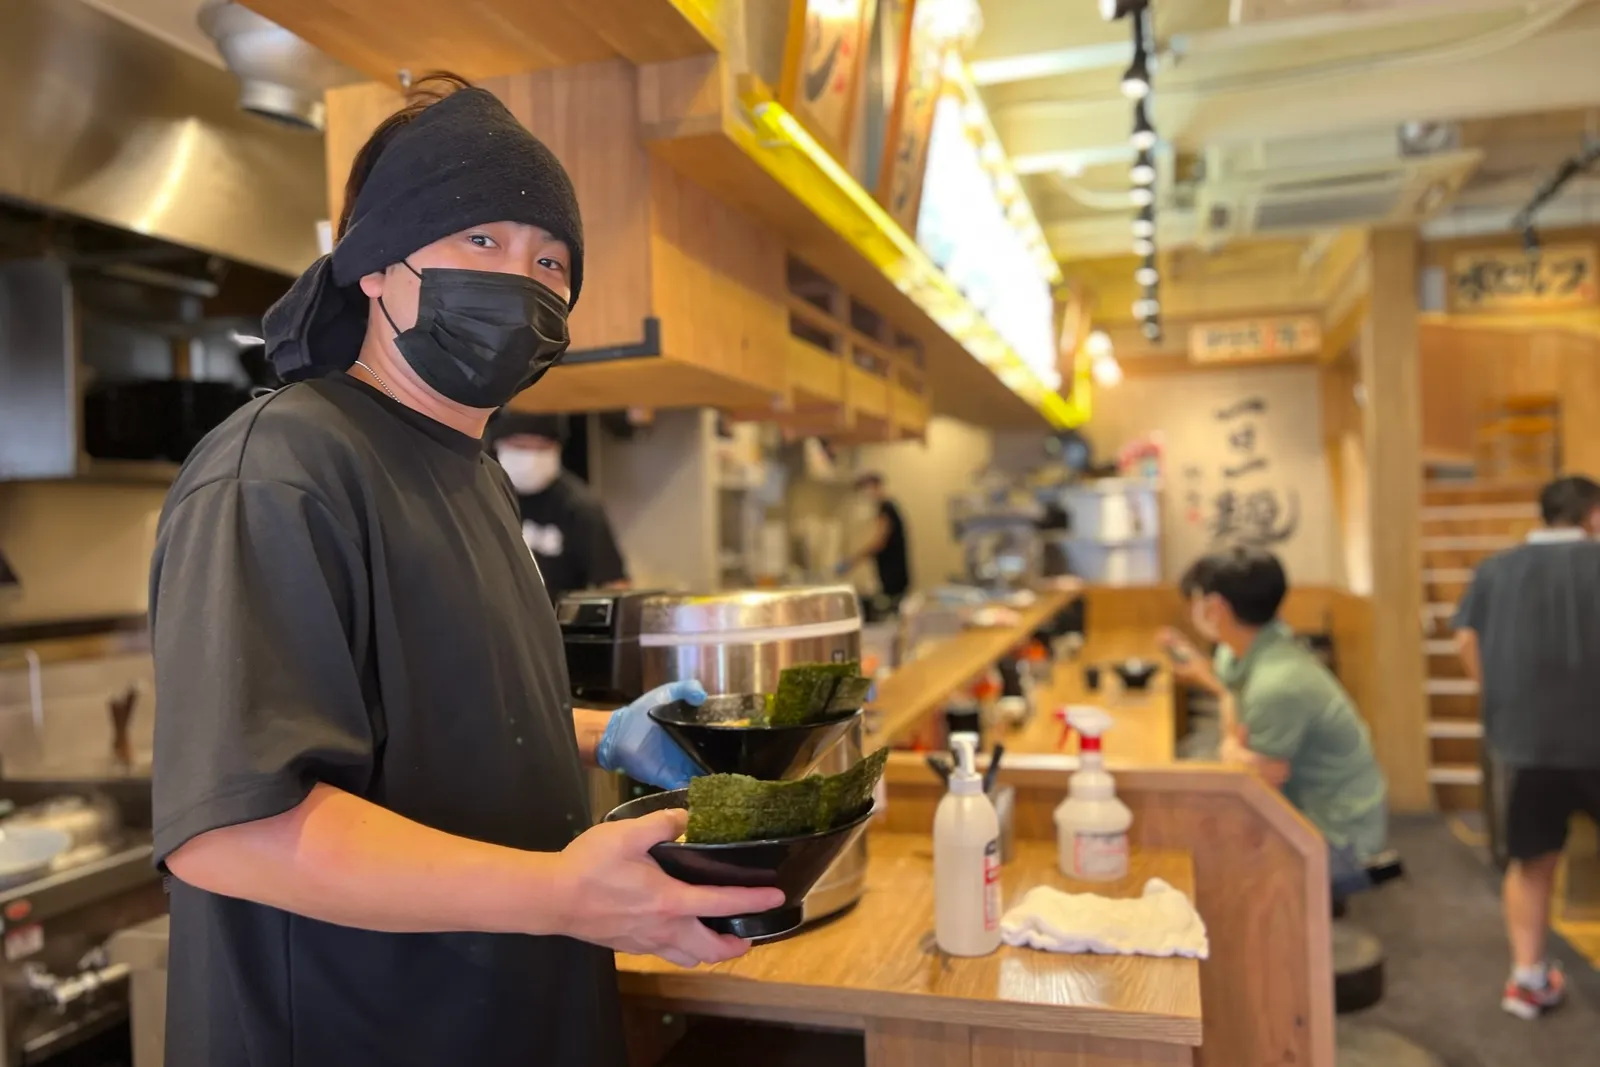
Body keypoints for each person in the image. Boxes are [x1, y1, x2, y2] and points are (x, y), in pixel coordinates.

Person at [147, 75, 779, 1067]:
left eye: (550, 259)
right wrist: (560, 892)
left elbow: (426, 717)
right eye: (479, 239)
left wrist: (597, 734)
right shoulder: (279, 470)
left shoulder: (474, 477)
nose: (520, 280)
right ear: (374, 264)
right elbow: (232, 829)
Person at [1160, 547, 1388, 898]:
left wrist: (1232, 751)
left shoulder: (1277, 684)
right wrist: (1233, 746)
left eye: (1194, 602)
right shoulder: (1248, 646)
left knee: (1190, 852)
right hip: (1310, 808)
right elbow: (1229, 694)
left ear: (1215, 608)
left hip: (1339, 837)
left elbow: (1258, 784)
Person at [1454, 474, 1600, 1020]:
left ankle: (1527, 979)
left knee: (1532, 860)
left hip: (1526, 742)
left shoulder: (1495, 570)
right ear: (1593, 515)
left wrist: (1500, 700)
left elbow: (1465, 640)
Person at [488, 410, 628, 603]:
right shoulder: (481, 495)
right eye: (520, 446)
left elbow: (614, 586)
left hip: (558, 619)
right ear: (498, 445)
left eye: (542, 447)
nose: (530, 459)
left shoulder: (580, 508)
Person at [838, 472, 911, 603]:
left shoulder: (886, 508)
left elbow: (879, 542)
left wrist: (852, 561)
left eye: (866, 488)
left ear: (877, 486)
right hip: (892, 573)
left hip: (893, 574)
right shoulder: (887, 508)